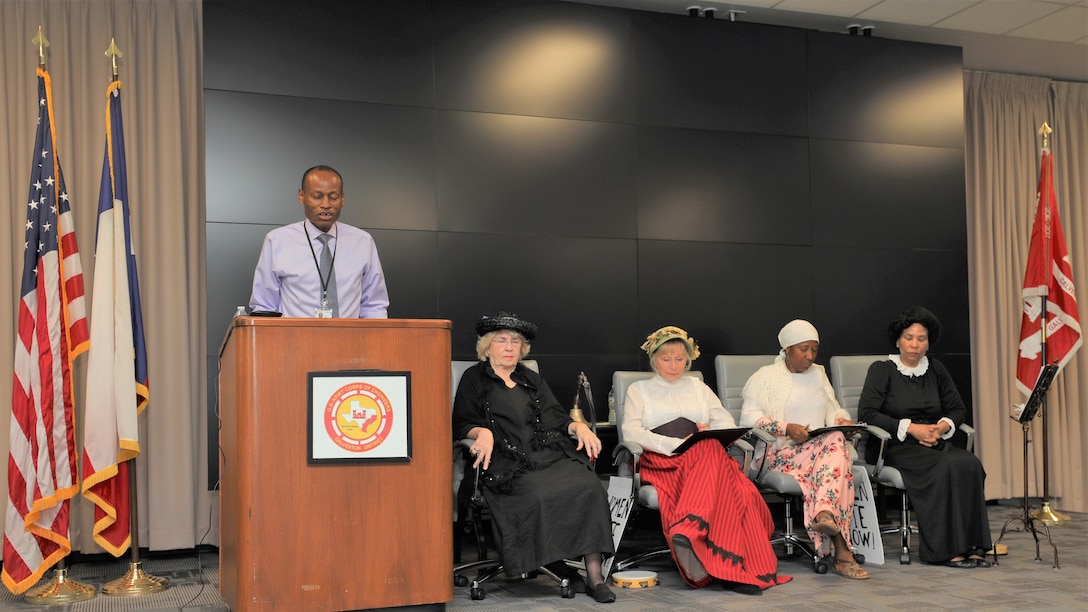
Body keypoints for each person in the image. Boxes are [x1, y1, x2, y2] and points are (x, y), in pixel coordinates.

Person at [452, 312, 616, 603]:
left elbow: (555, 416)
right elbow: (462, 421)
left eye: (515, 342)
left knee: (588, 487)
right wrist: (481, 432)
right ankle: (554, 561)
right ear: (487, 346)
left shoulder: (530, 378)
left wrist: (575, 425)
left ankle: (594, 576)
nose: (509, 347)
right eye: (501, 341)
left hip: (544, 453)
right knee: (539, 493)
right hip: (503, 461)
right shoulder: (474, 378)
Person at [620, 326, 789, 595]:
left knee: (733, 480)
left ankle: (705, 543)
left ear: (687, 360)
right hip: (663, 459)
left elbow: (725, 421)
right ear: (654, 359)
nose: (674, 365)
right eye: (666, 359)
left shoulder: (698, 386)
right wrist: (676, 445)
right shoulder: (639, 390)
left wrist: (707, 429)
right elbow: (631, 431)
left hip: (703, 457)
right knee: (735, 484)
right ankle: (727, 565)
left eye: (680, 359)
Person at [858, 306, 992, 568]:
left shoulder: (936, 369)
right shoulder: (882, 369)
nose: (915, 345)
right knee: (943, 467)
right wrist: (910, 428)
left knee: (969, 464)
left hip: (932, 441)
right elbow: (868, 414)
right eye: (909, 338)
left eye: (922, 339)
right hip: (893, 445)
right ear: (898, 340)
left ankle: (973, 545)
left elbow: (957, 409)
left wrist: (940, 428)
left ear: (929, 343)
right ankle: (945, 550)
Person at [740, 319, 870, 580]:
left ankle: (827, 518)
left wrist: (842, 421)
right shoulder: (766, 377)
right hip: (781, 455)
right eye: (803, 349)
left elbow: (833, 410)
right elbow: (748, 418)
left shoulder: (819, 374)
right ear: (787, 349)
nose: (810, 356)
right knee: (836, 462)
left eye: (814, 349)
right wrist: (786, 427)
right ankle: (841, 551)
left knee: (834, 441)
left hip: (818, 452)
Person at [249, 165, 389, 318]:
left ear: (342, 199)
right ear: (301, 196)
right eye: (317, 196)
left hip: (350, 340)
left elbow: (374, 306)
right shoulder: (277, 241)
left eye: (333, 197)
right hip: (294, 340)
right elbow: (264, 307)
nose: (326, 204)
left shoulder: (363, 242)